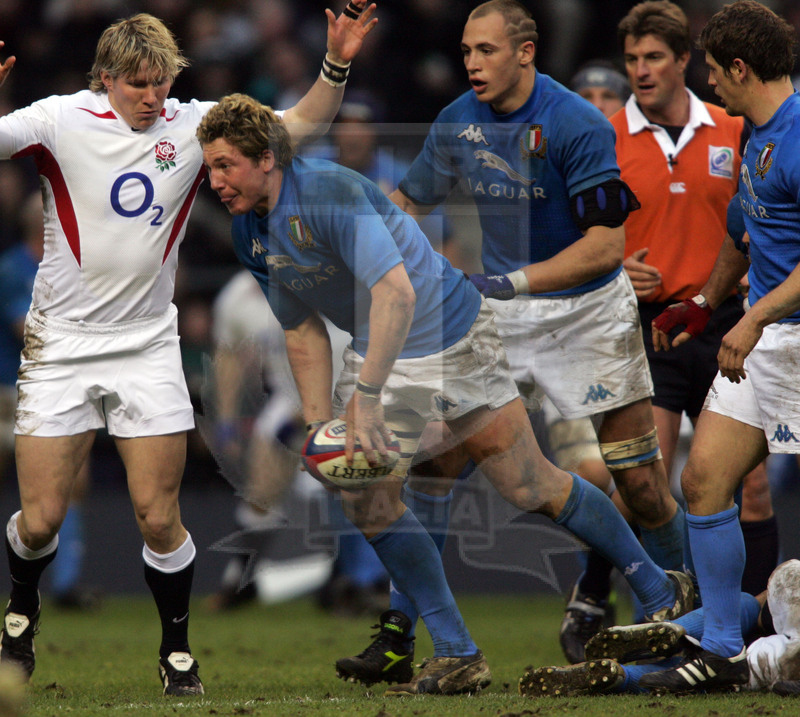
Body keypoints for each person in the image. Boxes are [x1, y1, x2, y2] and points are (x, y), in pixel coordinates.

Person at [196, 92, 695, 697]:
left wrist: (369, 398)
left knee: (528, 485)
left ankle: (662, 594)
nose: (215, 180)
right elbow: (300, 328)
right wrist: (318, 422)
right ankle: (456, 651)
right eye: (209, 166)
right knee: (361, 486)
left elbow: (397, 295)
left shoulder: (331, 193)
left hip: (452, 330)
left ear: (266, 158)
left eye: (225, 165)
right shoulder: (251, 231)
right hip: (382, 345)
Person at [0, 2, 377, 695]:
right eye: (139, 83)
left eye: (162, 82)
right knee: (41, 517)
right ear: (106, 77)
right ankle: (21, 609)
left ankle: (176, 652)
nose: (153, 97)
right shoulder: (57, 119)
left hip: (146, 344)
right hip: (61, 342)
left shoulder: (189, 123)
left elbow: (295, 125)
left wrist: (336, 61)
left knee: (158, 513)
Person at [339, 0, 688, 685]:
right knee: (433, 464)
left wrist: (507, 279)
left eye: (487, 50)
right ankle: (401, 634)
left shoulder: (575, 123)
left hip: (585, 314)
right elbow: (409, 205)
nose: (472, 63)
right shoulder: (456, 121)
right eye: (467, 50)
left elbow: (606, 246)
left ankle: (679, 609)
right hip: (498, 312)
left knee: (641, 483)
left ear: (525, 53)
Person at [558, 0, 779, 664]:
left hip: (725, 322)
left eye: (654, 57)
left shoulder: (735, 127)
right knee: (639, 479)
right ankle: (597, 593)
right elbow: (582, 234)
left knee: (752, 485)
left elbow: (753, 220)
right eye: (632, 60)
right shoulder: (607, 137)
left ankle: (750, 621)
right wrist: (614, 264)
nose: (641, 71)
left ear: (686, 61)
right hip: (647, 327)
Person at [623, 0, 800, 692]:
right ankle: (724, 646)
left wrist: (752, 319)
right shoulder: (756, 136)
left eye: (713, 72)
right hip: (760, 340)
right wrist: (702, 305)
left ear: (740, 67)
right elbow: (740, 230)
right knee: (702, 481)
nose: (709, 85)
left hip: (790, 336)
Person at [207, 269, 388, 616]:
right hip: (292, 403)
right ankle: (242, 578)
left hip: (361, 401)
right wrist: (227, 421)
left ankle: (365, 581)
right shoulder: (244, 293)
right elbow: (229, 352)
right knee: (261, 491)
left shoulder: (354, 280)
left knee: (358, 489)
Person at [521, 559, 800, 696]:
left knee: (780, 582)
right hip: (778, 656)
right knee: (729, 671)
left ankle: (675, 629)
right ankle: (624, 676)